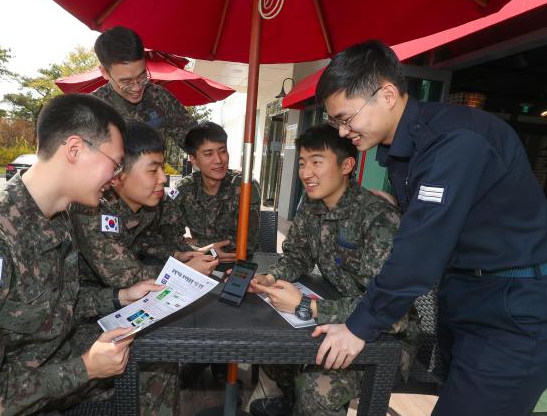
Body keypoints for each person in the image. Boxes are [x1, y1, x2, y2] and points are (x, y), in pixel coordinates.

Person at [313, 40, 547, 416]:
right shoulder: (407, 149)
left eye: (345, 118)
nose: (342, 132)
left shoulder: (452, 143)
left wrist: (358, 327)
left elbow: (419, 253)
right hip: (467, 296)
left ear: (387, 94)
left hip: (514, 309)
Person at [0, 94, 162, 414]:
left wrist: (120, 297)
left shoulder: (57, 216)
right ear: (75, 150)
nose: (117, 176)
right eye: (115, 163)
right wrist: (85, 368)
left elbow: (53, 306)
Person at [247, 124, 411, 416]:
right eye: (302, 163)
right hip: (336, 313)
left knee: (316, 388)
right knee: (272, 348)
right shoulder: (311, 208)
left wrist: (307, 307)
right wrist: (272, 277)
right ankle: (291, 404)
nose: (306, 172)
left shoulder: (378, 218)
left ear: (347, 165)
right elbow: (297, 256)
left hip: (384, 336)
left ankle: (305, 404)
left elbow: (390, 310)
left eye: (317, 162)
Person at [69, 120, 219, 289]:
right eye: (153, 170)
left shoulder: (151, 201)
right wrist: (183, 270)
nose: (163, 178)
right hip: (90, 301)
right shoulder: (91, 210)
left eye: (162, 168)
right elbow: (125, 276)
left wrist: (176, 255)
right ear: (117, 174)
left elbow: (145, 242)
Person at [160, 121, 261, 264]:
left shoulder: (245, 186)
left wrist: (197, 242)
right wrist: (210, 251)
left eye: (222, 151)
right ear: (193, 159)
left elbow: (247, 243)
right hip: (200, 261)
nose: (219, 160)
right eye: (208, 154)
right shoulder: (183, 189)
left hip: (242, 264)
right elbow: (169, 236)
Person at [93, 25, 195, 150]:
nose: (137, 87)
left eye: (142, 76)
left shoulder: (160, 97)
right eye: (126, 81)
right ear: (104, 72)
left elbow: (194, 140)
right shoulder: (91, 111)